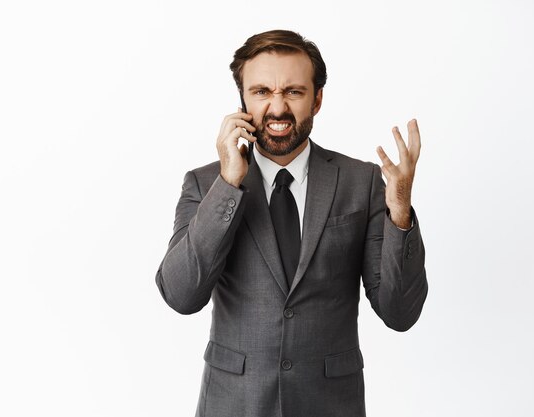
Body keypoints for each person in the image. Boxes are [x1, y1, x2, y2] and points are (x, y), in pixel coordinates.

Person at [155, 29, 428, 417]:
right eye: (262, 92)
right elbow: (181, 296)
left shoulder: (360, 182)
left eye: (293, 92)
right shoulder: (205, 183)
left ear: (317, 100)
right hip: (235, 404)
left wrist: (399, 208)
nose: (277, 108)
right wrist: (229, 184)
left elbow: (399, 312)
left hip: (330, 405)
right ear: (242, 101)